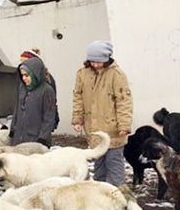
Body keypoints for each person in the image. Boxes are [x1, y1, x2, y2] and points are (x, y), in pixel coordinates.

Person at [72, 40, 133, 186]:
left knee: (114, 162)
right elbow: (78, 96)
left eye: (99, 61)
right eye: (92, 61)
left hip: (113, 129)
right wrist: (77, 118)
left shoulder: (117, 75)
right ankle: (100, 193)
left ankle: (117, 193)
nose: (95, 64)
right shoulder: (82, 74)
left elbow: (124, 101)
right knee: (98, 163)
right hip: (94, 129)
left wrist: (124, 124)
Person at [9, 55, 58, 147]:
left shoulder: (46, 90)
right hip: (19, 138)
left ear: (35, 74)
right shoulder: (22, 88)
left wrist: (42, 138)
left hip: (36, 140)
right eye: (22, 75)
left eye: (27, 75)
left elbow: (49, 117)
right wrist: (13, 129)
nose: (24, 78)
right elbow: (17, 110)